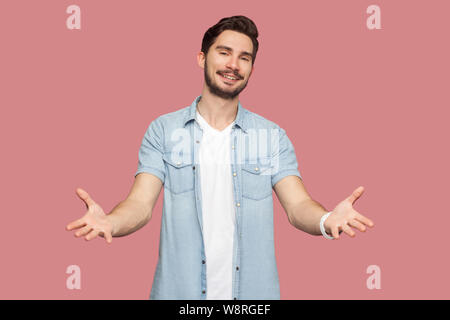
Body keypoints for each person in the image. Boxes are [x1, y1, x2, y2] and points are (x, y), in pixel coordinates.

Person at [66, 15, 374, 300]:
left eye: (245, 58)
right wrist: (111, 222)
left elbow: (298, 206)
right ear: (202, 58)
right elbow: (140, 204)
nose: (234, 65)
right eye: (224, 52)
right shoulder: (164, 130)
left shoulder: (271, 136)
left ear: (252, 68)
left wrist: (325, 220)